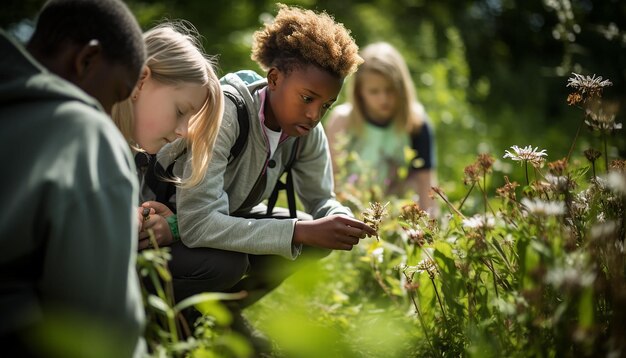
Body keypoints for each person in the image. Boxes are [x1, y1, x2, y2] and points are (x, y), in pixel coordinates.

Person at [156, 3, 375, 352]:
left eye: (326, 105)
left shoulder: (305, 131)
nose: (314, 114)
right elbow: (198, 224)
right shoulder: (226, 113)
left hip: (217, 223)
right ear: (274, 79)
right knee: (230, 260)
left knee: (308, 240)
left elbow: (321, 199)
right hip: (166, 228)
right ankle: (167, 324)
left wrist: (340, 217)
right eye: (307, 98)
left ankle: (223, 312)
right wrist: (300, 230)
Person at [0, 0, 146, 356]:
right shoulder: (83, 132)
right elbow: (104, 334)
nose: (110, 116)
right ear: (87, 60)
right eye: (115, 96)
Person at [111, 21, 224, 252]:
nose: (183, 131)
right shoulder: (82, 134)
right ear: (141, 80)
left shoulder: (132, 149)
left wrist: (157, 221)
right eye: (180, 111)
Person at [325, 42, 438, 215]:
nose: (383, 99)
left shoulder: (416, 123)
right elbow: (331, 179)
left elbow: (426, 184)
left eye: (390, 90)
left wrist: (430, 229)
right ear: (359, 91)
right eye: (374, 91)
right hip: (349, 209)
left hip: (396, 213)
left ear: (402, 88)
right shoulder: (342, 121)